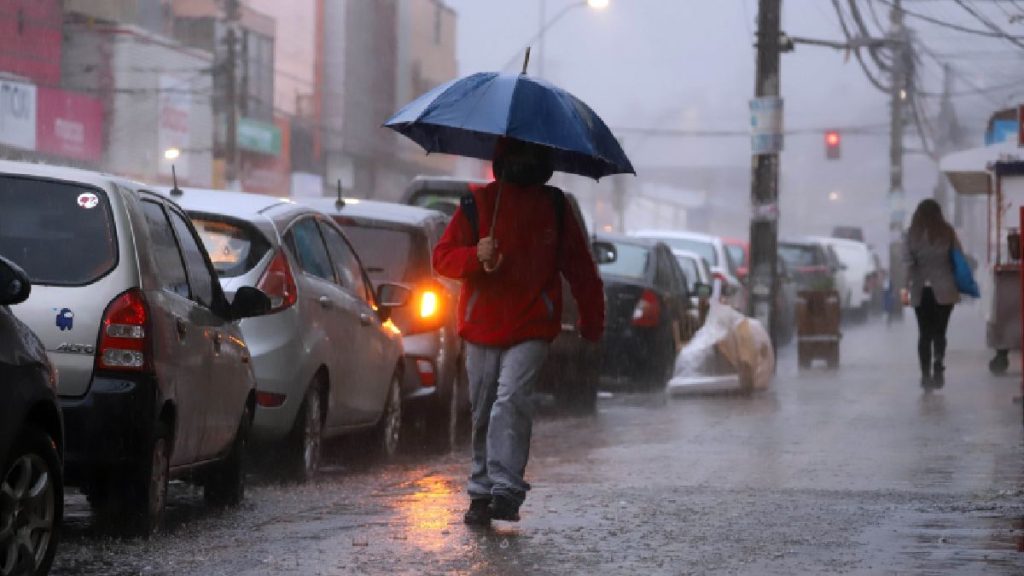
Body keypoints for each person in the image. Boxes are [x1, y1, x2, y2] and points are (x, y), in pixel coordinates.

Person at [433, 138, 605, 525]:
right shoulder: (476, 205)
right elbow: (442, 258)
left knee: (510, 400)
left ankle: (506, 490)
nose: (525, 162)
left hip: (532, 326)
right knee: (482, 409)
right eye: (518, 154)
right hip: (481, 326)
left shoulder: (556, 208)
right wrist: (475, 256)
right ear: (503, 158)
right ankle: (481, 491)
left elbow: (581, 270)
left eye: (533, 154)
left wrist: (592, 322)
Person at [903, 199, 961, 388]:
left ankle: (925, 375)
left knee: (924, 333)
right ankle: (938, 362)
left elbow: (907, 262)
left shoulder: (912, 234)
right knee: (940, 332)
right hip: (945, 288)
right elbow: (958, 256)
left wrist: (906, 288)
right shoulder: (947, 232)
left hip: (921, 290)